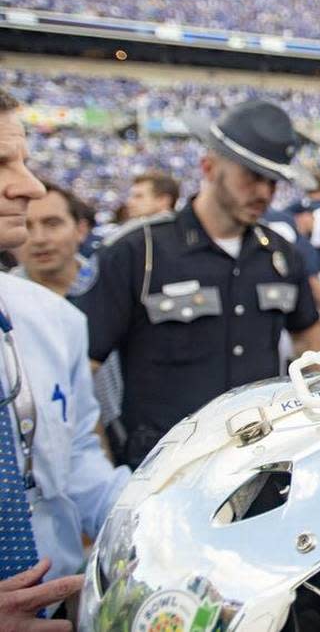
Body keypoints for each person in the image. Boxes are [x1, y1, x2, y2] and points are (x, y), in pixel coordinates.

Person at [75, 99, 320, 469]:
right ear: (208, 167)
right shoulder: (137, 252)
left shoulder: (279, 255)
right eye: (251, 176)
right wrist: (98, 466)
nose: (264, 193)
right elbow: (82, 367)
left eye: (272, 181)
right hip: (162, 470)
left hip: (257, 461)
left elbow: (309, 339)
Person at [0, 88, 128, 626]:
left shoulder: (55, 321)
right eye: (3, 164)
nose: (29, 187)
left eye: (25, 162)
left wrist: (157, 514)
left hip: (62, 605)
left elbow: (73, 456)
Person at [10, 180, 127, 451]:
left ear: (81, 230)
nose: (39, 239)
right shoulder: (7, 306)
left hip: (125, 437)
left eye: (52, 224)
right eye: (27, 226)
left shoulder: (117, 285)